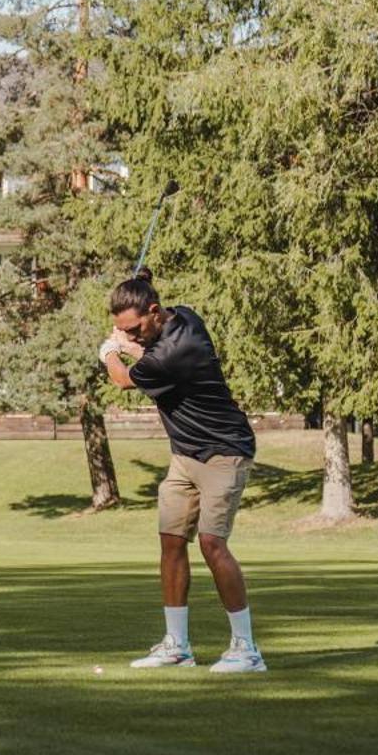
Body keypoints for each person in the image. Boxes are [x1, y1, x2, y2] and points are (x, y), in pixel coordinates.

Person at [99, 271, 266, 674]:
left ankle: (247, 650)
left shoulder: (177, 348)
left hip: (224, 452)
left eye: (135, 329)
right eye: (125, 330)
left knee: (211, 543)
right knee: (171, 541)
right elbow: (148, 355)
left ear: (154, 312)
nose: (132, 337)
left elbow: (123, 380)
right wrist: (137, 288)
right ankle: (178, 647)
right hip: (184, 455)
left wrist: (109, 351)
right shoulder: (184, 315)